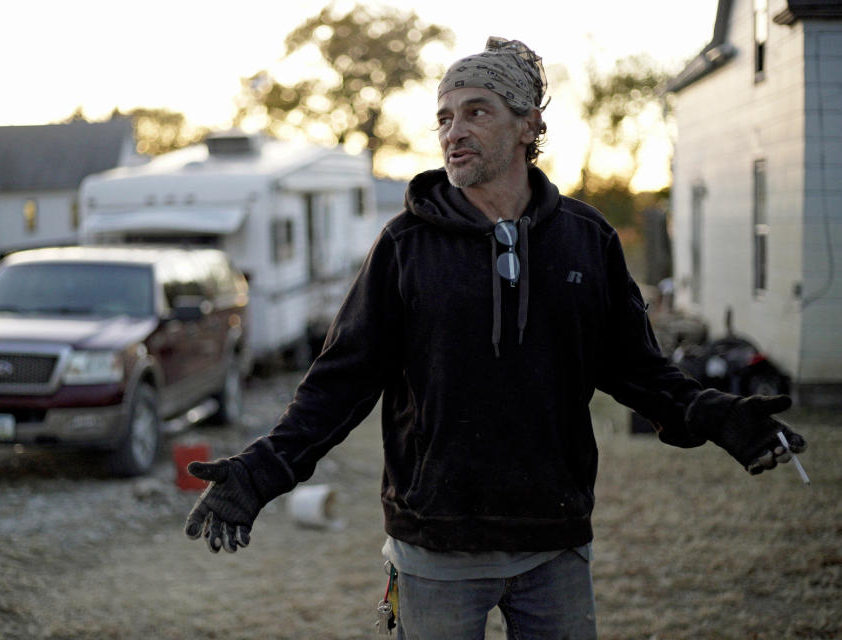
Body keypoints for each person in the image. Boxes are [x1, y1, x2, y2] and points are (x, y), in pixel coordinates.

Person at [184, 36, 808, 639]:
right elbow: (340, 382)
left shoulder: (587, 242)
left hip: (554, 537)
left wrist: (715, 414)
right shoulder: (406, 245)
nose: (454, 131)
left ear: (527, 125)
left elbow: (637, 369)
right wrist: (261, 472)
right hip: (436, 543)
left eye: (476, 111)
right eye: (444, 117)